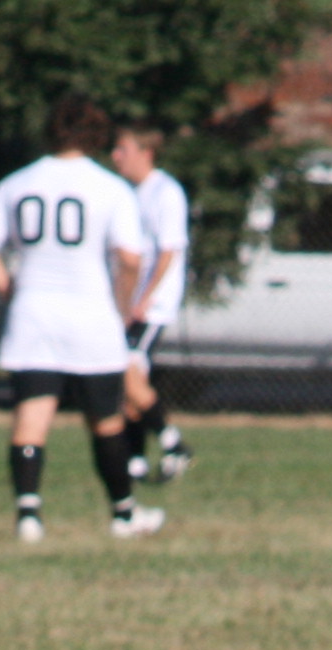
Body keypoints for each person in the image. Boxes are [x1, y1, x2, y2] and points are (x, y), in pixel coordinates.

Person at [0, 98, 160, 546]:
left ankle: (28, 516)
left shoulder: (17, 183)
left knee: (32, 416)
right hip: (90, 315)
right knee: (106, 420)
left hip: (33, 315)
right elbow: (130, 259)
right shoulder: (110, 188)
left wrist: (10, 289)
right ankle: (124, 515)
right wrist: (123, 304)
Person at [109, 125, 194, 488]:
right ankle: (136, 461)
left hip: (152, 304)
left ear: (146, 153)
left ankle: (173, 444)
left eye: (123, 149)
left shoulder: (166, 192)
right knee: (132, 382)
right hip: (131, 301)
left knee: (125, 368)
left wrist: (143, 298)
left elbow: (169, 250)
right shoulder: (130, 192)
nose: (116, 156)